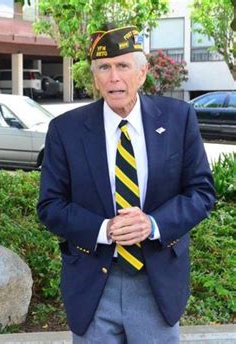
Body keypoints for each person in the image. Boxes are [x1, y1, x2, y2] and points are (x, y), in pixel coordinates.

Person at [37, 24, 215, 343]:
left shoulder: (178, 119)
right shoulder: (66, 129)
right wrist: (104, 230)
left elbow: (201, 194)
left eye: (123, 66)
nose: (113, 77)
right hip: (93, 284)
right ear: (95, 76)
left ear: (142, 72)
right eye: (104, 67)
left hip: (156, 282)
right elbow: (50, 206)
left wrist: (153, 224)